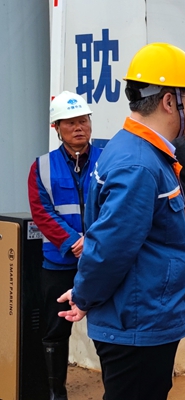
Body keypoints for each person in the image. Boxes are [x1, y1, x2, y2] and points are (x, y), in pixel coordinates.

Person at [56, 42, 185, 400]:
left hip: (140, 316)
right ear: (168, 101)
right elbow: (111, 247)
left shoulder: (137, 150)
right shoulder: (139, 164)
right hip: (137, 323)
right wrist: (85, 295)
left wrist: (86, 291)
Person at [27, 91, 102, 400]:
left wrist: (93, 242)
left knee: (107, 328)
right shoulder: (42, 167)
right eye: (70, 123)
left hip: (101, 262)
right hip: (58, 264)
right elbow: (41, 212)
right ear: (56, 127)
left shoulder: (108, 160)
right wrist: (72, 242)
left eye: (83, 120)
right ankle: (56, 393)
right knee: (55, 331)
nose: (78, 127)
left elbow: (117, 207)